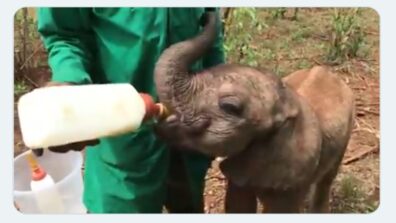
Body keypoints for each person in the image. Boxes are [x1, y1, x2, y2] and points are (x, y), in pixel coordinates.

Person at [35, 7, 225, 213]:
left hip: (188, 135)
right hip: (123, 142)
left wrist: (216, 104)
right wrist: (69, 82)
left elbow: (210, 32)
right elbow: (65, 35)